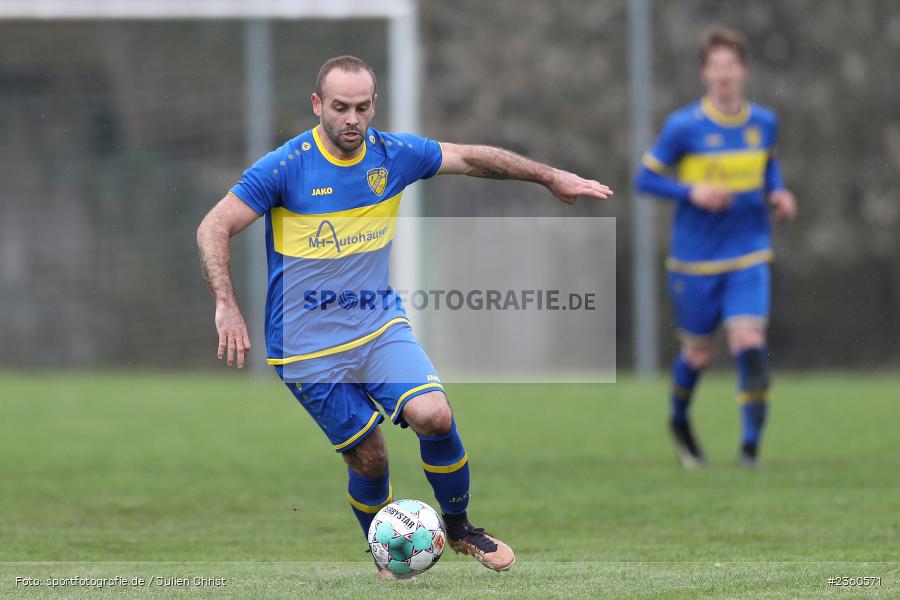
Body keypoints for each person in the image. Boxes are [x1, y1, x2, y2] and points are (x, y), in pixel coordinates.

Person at [196, 55, 612, 579]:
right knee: (371, 459)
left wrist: (550, 177)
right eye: (340, 107)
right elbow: (212, 226)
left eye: (363, 107)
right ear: (317, 104)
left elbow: (473, 158)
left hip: (376, 325)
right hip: (305, 346)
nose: (352, 118)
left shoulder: (393, 155)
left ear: (375, 105)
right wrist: (226, 305)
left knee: (434, 414)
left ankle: (460, 528)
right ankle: (383, 553)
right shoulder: (285, 166)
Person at [634, 26, 797, 469]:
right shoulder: (685, 126)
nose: (724, 73)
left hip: (749, 251)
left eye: (731, 65)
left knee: (748, 340)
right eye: (716, 66)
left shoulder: (763, 122)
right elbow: (644, 178)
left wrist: (780, 193)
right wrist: (693, 192)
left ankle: (749, 452)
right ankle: (680, 420)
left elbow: (769, 168)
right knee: (699, 354)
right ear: (705, 73)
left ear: (743, 70)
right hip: (694, 261)